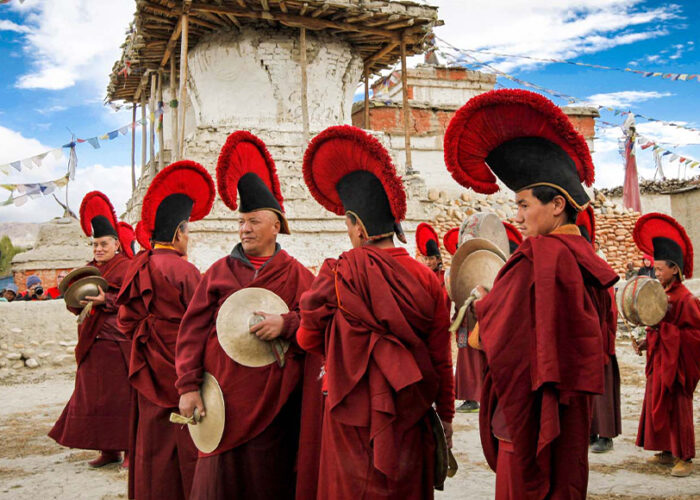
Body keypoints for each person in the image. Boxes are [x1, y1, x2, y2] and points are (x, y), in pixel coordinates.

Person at [444, 89, 618, 499]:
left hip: (526, 414)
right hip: (572, 415)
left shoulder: (538, 257)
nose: (518, 217)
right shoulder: (588, 261)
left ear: (557, 204)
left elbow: (489, 339)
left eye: (523, 205)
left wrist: (486, 308)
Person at [298, 125, 454, 499]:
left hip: (350, 414)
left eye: (348, 224)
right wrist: (446, 416)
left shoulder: (339, 274)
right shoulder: (429, 279)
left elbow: (306, 338)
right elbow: (440, 357)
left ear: (359, 226)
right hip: (409, 411)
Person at [176, 131, 314, 499]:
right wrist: (188, 386)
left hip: (276, 401)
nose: (245, 229)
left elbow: (317, 322)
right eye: (241, 222)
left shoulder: (298, 275)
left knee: (269, 477)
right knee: (219, 481)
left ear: (275, 226)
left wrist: (287, 324)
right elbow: (191, 332)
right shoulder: (219, 272)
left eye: (253, 221)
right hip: (223, 396)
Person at [117, 161, 215, 499]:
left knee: (153, 440)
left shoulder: (138, 266)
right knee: (185, 440)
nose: (189, 240)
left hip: (147, 366)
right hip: (180, 366)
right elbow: (204, 322)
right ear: (177, 234)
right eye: (188, 232)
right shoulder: (184, 271)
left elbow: (126, 321)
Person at [49, 191, 133, 468]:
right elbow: (74, 303)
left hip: (118, 343)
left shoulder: (128, 268)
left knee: (124, 399)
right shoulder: (87, 270)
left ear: (117, 245)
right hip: (92, 344)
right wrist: (77, 303)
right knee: (96, 400)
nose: (98, 249)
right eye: (94, 244)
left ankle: (131, 451)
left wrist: (105, 300)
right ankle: (108, 451)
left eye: (103, 244)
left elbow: (134, 303)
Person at [633, 212, 700, 477]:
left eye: (660, 269)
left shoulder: (685, 299)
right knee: (657, 402)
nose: (656, 274)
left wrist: (666, 335)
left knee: (678, 407)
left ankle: (684, 457)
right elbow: (658, 327)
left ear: (675, 268)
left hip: (678, 364)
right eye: (655, 269)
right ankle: (666, 450)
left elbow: (695, 335)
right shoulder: (661, 294)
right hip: (662, 361)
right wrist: (646, 341)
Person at [577, 206, 622, 454]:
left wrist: (602, 339)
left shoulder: (599, 270)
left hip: (601, 340)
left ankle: (606, 435)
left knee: (602, 390)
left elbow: (610, 311)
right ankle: (591, 432)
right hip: (584, 343)